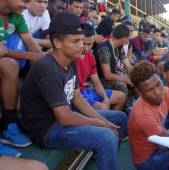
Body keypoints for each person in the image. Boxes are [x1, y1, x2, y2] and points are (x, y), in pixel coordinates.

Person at [21, 12, 127, 170]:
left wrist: (103, 121)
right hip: (47, 130)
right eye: (76, 41)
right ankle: (104, 149)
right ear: (57, 42)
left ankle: (103, 155)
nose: (82, 46)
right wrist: (99, 123)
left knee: (120, 117)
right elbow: (64, 117)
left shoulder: (71, 61)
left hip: (65, 117)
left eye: (82, 40)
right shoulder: (47, 69)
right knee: (106, 136)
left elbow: (77, 98)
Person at [128, 61, 169, 170]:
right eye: (149, 90)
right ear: (139, 92)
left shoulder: (166, 91)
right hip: (148, 160)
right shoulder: (142, 115)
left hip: (160, 145)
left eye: (158, 84)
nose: (157, 92)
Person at [0, 0, 43, 151]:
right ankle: (8, 121)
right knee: (9, 65)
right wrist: (30, 55)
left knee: (43, 61)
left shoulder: (17, 16)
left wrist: (46, 59)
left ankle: (13, 120)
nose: (26, 5)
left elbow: (30, 42)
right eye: (24, 0)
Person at [76, 23, 126, 110]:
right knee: (102, 107)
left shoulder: (90, 56)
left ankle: (111, 120)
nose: (86, 48)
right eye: (83, 43)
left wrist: (105, 97)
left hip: (87, 90)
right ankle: (107, 121)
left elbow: (96, 82)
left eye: (90, 44)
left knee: (121, 97)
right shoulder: (71, 56)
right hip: (78, 94)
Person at [94, 24, 133, 95]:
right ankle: (122, 104)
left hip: (113, 75)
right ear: (123, 39)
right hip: (101, 80)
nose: (129, 39)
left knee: (135, 81)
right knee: (122, 86)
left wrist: (135, 77)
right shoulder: (104, 49)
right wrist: (127, 80)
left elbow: (128, 66)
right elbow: (107, 75)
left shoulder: (119, 46)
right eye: (128, 37)